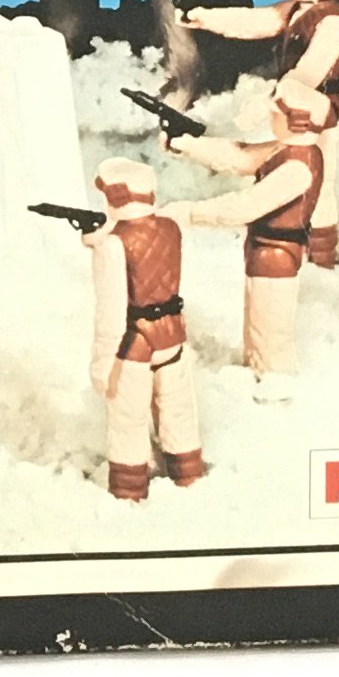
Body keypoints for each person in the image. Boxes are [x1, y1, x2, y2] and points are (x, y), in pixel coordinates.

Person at [168, 83, 329, 387]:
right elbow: (241, 155)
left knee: (269, 337)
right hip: (265, 252)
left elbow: (245, 206)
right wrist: (188, 145)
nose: (271, 116)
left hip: (277, 255)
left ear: (296, 120)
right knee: (259, 328)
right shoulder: (287, 150)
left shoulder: (298, 166)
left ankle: (274, 388)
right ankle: (261, 379)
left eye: (277, 113)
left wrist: (189, 213)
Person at [85, 159, 203, 501]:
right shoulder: (169, 227)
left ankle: (129, 491)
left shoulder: (113, 246)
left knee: (128, 422)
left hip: (133, 343)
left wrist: (102, 364)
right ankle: (189, 476)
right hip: (172, 335)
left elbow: (111, 312)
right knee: (178, 412)